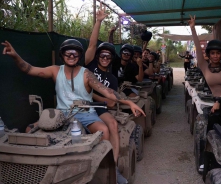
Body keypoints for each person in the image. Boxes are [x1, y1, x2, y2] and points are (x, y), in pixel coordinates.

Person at [2, 39, 145, 184]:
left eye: (75, 53)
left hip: (85, 112)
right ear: (62, 54)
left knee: (103, 130)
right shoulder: (55, 70)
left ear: (79, 56)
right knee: (29, 129)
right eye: (68, 52)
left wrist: (127, 102)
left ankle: (110, 170)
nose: (71, 56)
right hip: (61, 114)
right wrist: (15, 56)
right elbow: (30, 69)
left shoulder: (86, 74)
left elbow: (107, 92)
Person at [84, 8, 128, 184]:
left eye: (108, 56)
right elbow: (92, 45)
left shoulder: (111, 78)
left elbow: (110, 102)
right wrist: (99, 21)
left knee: (113, 125)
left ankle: (113, 168)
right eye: (102, 55)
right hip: (81, 105)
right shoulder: (89, 66)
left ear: (111, 59)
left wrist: (91, 92)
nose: (104, 58)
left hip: (99, 108)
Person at [189, 15, 221, 172]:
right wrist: (193, 28)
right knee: (205, 129)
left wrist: (219, 101)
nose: (215, 56)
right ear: (209, 54)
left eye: (218, 53)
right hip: (213, 104)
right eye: (212, 53)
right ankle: (203, 159)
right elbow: (197, 47)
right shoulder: (204, 66)